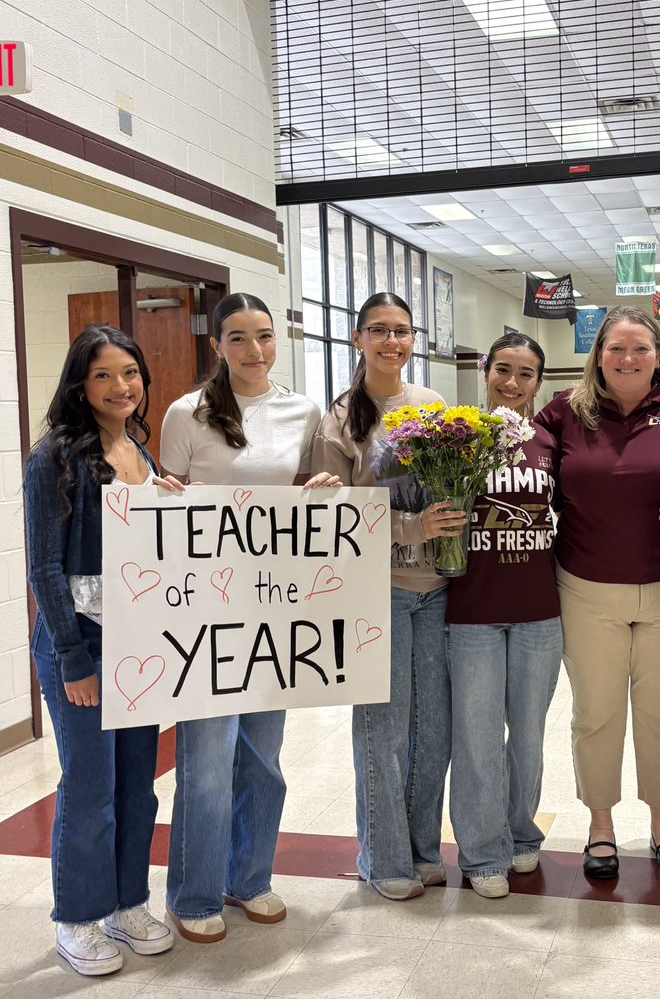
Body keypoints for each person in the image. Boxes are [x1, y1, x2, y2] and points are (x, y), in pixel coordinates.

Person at [160, 293, 338, 942]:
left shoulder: (303, 411)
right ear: (217, 345)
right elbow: (164, 510)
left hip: (276, 606)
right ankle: (194, 892)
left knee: (264, 758)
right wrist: (167, 497)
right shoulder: (187, 413)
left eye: (263, 335)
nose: (254, 349)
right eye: (237, 337)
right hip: (208, 608)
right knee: (208, 761)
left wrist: (321, 490)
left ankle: (251, 878)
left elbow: (305, 500)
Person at [535, 306, 660, 879]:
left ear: (658, 354)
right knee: (596, 713)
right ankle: (601, 825)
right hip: (586, 589)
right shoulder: (566, 410)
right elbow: (516, 453)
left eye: (640, 348)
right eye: (615, 348)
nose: (628, 358)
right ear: (598, 355)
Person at [24, 326, 176, 976]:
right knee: (90, 787)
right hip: (82, 642)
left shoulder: (139, 448)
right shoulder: (53, 457)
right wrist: (73, 660)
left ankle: (127, 903)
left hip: (139, 643)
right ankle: (78, 918)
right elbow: (44, 568)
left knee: (138, 785)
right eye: (103, 375)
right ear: (79, 385)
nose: (121, 386)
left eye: (130, 372)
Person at [312, 291, 467, 901]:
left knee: (433, 731)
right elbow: (336, 517)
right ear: (358, 338)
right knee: (383, 729)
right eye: (378, 330)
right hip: (378, 592)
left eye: (401, 331)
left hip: (437, 590)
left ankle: (423, 850)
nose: (391, 341)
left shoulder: (431, 405)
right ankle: (383, 858)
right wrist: (410, 527)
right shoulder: (339, 418)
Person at [446, 333, 561, 899]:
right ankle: (481, 851)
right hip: (473, 612)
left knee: (529, 737)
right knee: (477, 737)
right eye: (503, 370)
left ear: (539, 382)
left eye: (525, 373)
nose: (512, 383)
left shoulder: (551, 441)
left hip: (540, 613)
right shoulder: (456, 439)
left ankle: (520, 833)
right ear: (485, 371)